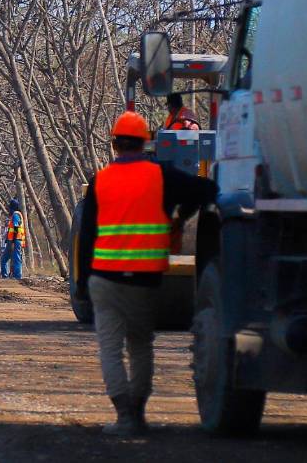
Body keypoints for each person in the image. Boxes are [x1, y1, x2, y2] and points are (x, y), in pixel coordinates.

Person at [76, 111, 217, 436]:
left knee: (110, 348)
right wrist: (181, 218)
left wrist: (83, 284)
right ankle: (137, 413)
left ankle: (123, 415)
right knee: (140, 345)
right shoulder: (162, 176)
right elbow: (208, 190)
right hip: (143, 280)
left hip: (104, 279)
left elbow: (86, 238)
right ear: (146, 142)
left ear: (114, 144)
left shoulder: (101, 181)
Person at [0, 199, 26, 280]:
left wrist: (13, 242)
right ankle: (5, 276)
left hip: (15, 240)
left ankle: (17, 276)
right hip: (13, 240)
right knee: (4, 259)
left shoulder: (16, 215)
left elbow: (16, 228)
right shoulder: (16, 215)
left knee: (16, 258)